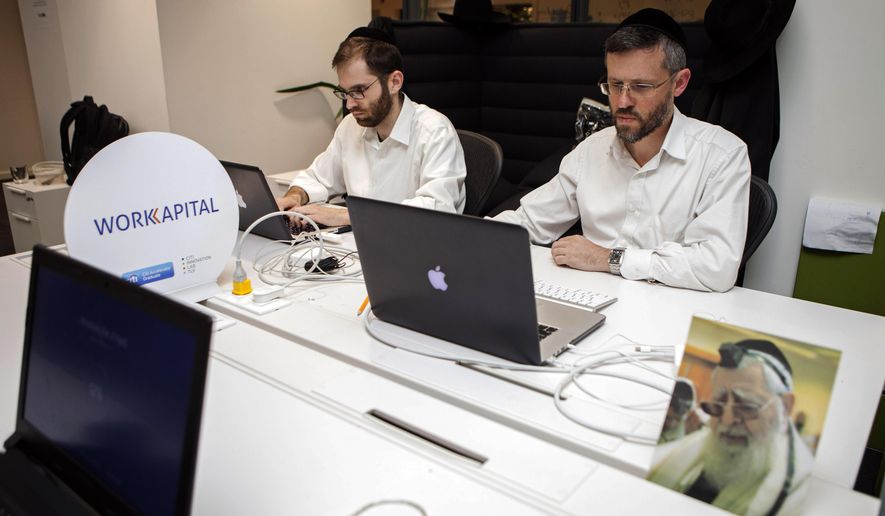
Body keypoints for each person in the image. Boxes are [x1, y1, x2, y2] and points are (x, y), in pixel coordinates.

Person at [493, 8, 750, 292]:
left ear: (679, 83)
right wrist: (468, 238)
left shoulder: (722, 155)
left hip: (672, 313)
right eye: (615, 85)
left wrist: (608, 259)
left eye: (640, 86)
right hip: (592, 301)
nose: (623, 101)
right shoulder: (591, 150)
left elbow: (717, 267)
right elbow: (528, 221)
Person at [277, 27, 466, 227]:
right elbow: (319, 177)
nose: (349, 104)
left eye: (359, 91)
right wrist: (295, 196)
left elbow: (436, 209)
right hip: (357, 245)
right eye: (345, 92)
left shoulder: (434, 131)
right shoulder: (351, 126)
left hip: (418, 248)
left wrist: (345, 216)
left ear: (394, 82)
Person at [649, 340, 813, 515]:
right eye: (718, 405)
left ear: (785, 407)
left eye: (747, 407)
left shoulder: (800, 490)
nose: (726, 420)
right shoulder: (698, 444)